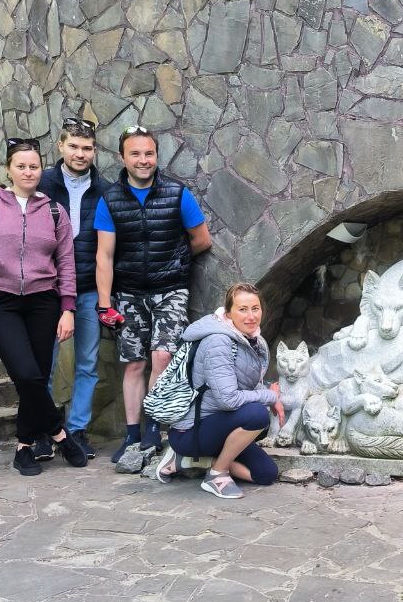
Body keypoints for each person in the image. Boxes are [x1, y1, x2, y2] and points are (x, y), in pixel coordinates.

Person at [0, 137, 88, 475]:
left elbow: (66, 262)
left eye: (34, 166)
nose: (28, 172)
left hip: (43, 301)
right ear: (8, 169)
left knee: (36, 376)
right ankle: (60, 433)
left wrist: (67, 308)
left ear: (42, 170)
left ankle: (23, 447)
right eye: (21, 166)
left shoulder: (54, 211)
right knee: (25, 373)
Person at [94, 126, 212, 462]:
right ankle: (132, 434)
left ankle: (153, 427)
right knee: (134, 364)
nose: (143, 160)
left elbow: (202, 239)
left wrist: (176, 261)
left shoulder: (177, 194)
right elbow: (104, 255)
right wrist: (104, 303)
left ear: (156, 156)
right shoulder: (110, 200)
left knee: (162, 358)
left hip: (170, 290)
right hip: (128, 292)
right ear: (123, 158)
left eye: (149, 153)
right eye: (135, 154)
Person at [155, 283, 284, 499]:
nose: (251, 316)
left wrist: (268, 394)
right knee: (257, 415)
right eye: (242, 309)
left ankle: (190, 461)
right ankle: (216, 475)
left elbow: (246, 386)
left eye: (255, 308)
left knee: (266, 474)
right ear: (228, 313)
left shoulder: (253, 340)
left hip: (221, 428)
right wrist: (270, 397)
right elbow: (228, 399)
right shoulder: (218, 341)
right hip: (191, 431)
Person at [37, 115, 110, 459]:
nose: (81, 154)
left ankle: (77, 429)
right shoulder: (42, 183)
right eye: (74, 146)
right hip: (47, 288)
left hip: (89, 288)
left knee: (88, 363)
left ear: (94, 151)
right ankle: (42, 428)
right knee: (44, 363)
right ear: (61, 146)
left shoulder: (104, 189)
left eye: (88, 148)